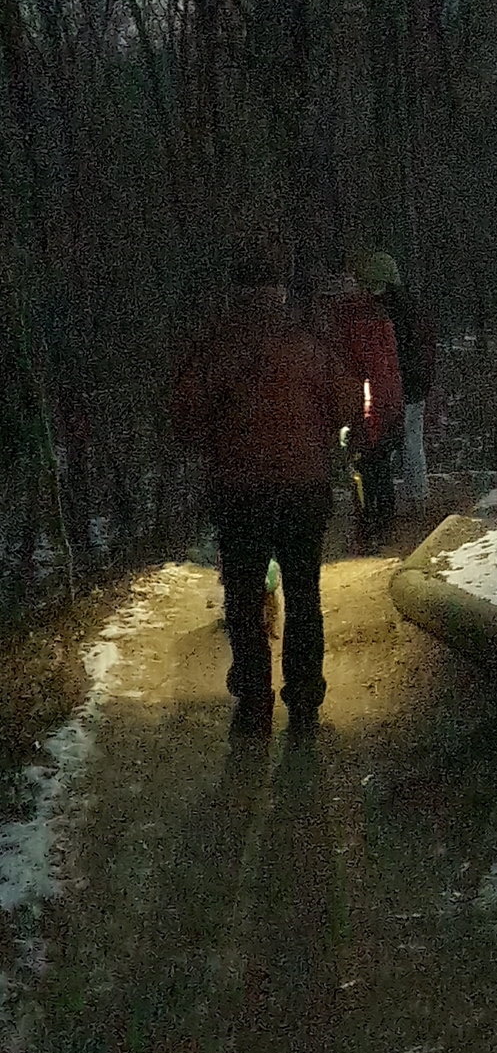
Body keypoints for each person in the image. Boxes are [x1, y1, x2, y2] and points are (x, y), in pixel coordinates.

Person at [169, 250, 366, 737]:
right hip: (303, 486)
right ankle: (304, 694)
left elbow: (184, 417)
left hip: (238, 490)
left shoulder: (214, 345)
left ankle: (253, 695)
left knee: (242, 594)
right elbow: (346, 405)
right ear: (279, 290)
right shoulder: (307, 342)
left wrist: (219, 442)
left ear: (234, 291)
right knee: (303, 592)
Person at [319, 264, 404, 550]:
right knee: (376, 465)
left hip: (368, 405)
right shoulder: (377, 318)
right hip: (385, 402)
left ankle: (371, 524)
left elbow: (365, 370)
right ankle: (379, 520)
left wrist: (363, 416)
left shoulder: (350, 324)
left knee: (368, 464)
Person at [362, 252, 436, 518]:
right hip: (415, 383)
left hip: (396, 384)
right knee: (411, 441)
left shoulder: (384, 310)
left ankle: (398, 501)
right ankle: (418, 496)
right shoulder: (412, 305)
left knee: (389, 442)